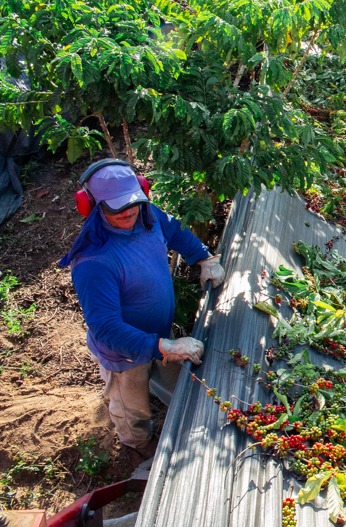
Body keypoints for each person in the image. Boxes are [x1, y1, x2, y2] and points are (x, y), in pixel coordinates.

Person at [60, 159, 225, 458]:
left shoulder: (147, 215)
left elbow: (175, 230)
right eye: (116, 207)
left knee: (178, 385)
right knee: (131, 407)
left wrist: (203, 257)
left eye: (134, 201)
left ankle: (169, 407)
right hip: (123, 355)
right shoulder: (94, 262)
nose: (128, 211)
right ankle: (137, 446)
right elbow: (107, 329)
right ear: (93, 206)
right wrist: (165, 346)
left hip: (158, 337)